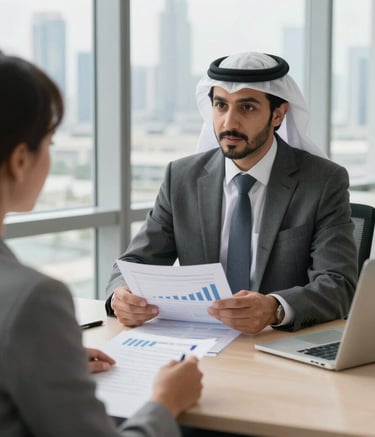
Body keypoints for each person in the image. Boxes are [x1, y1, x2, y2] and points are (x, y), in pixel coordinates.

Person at [0, 52, 203, 437]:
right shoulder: (33, 300)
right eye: (50, 141)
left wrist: (51, 358)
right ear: (19, 160)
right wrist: (165, 402)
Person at [105, 51, 358, 335]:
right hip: (199, 343)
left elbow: (339, 285)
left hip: (277, 346)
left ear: (278, 114)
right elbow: (133, 262)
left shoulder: (322, 181)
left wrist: (275, 307)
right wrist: (120, 296)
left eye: (247, 108)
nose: (229, 122)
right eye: (221, 106)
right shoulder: (181, 178)